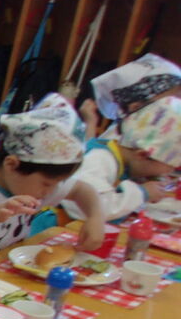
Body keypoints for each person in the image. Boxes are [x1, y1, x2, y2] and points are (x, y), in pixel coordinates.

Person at [0, 94, 106, 268]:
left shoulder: (31, 183)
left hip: (1, 269)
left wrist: (95, 218)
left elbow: (82, 190)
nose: (50, 191)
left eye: (57, 183)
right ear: (11, 165)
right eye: (47, 184)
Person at [63, 94, 181, 223]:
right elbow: (89, 208)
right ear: (143, 155)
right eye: (170, 167)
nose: (169, 172)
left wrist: (141, 180)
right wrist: (142, 193)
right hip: (59, 226)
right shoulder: (99, 160)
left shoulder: (122, 160)